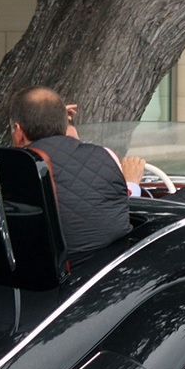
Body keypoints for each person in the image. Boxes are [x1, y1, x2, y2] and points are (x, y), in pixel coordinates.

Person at [9, 86, 141, 257]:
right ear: (65, 125)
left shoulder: (12, 169)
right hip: (111, 268)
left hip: (53, 276)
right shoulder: (105, 156)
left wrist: (46, 117)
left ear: (19, 131)